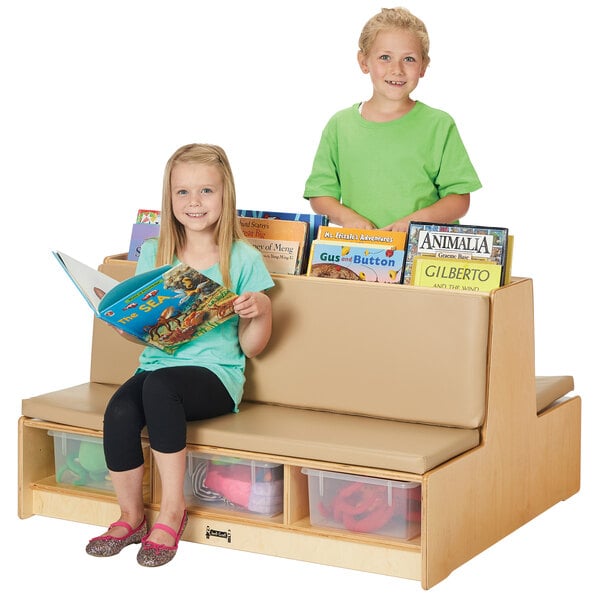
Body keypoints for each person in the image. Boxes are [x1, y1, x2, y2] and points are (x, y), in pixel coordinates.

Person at [85, 143, 274, 567]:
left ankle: (171, 512)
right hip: (156, 368)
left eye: (206, 191)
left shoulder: (242, 258)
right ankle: (131, 517)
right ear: (168, 199)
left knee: (160, 389)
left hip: (216, 377)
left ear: (226, 196)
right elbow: (146, 335)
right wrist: (125, 324)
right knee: (120, 410)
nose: (194, 202)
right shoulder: (155, 253)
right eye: (182, 193)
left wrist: (261, 310)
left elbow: (251, 347)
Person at [304, 6, 482, 232]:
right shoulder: (340, 126)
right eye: (385, 57)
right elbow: (320, 194)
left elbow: (459, 199)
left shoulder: (439, 125)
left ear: (423, 66)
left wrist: (414, 223)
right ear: (363, 62)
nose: (396, 69)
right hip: (361, 253)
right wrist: (348, 218)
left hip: (423, 252)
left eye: (408, 59)